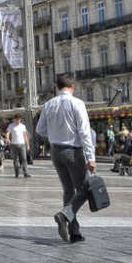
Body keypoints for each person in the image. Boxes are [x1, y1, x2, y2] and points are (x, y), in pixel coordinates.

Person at [36, 74, 96, 244]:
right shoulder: (77, 103)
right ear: (72, 87)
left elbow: (40, 130)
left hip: (56, 151)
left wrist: (55, 135)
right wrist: (91, 158)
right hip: (73, 151)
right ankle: (64, 215)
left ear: (57, 87)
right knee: (84, 189)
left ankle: (74, 232)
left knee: (68, 191)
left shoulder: (48, 104)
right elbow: (85, 132)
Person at [6, 114, 31, 178]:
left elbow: (25, 136)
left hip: (22, 144)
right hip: (14, 144)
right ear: (14, 119)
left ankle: (25, 173)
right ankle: (16, 173)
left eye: (19, 119)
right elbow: (8, 133)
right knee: (15, 160)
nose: (18, 121)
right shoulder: (11, 126)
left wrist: (28, 145)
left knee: (24, 159)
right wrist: (8, 139)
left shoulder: (23, 126)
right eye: (17, 119)